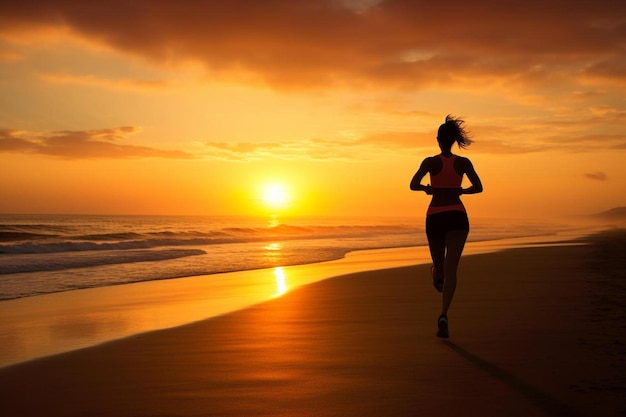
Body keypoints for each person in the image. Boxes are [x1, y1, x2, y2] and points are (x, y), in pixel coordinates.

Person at [410, 115, 483, 338]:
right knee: (451, 271)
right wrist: (462, 191)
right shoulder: (463, 163)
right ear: (453, 140)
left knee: (440, 269)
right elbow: (478, 187)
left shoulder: (430, 162)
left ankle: (435, 275)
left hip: (435, 217)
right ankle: (443, 314)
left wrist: (427, 188)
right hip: (457, 217)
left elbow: (413, 184)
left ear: (437, 139)